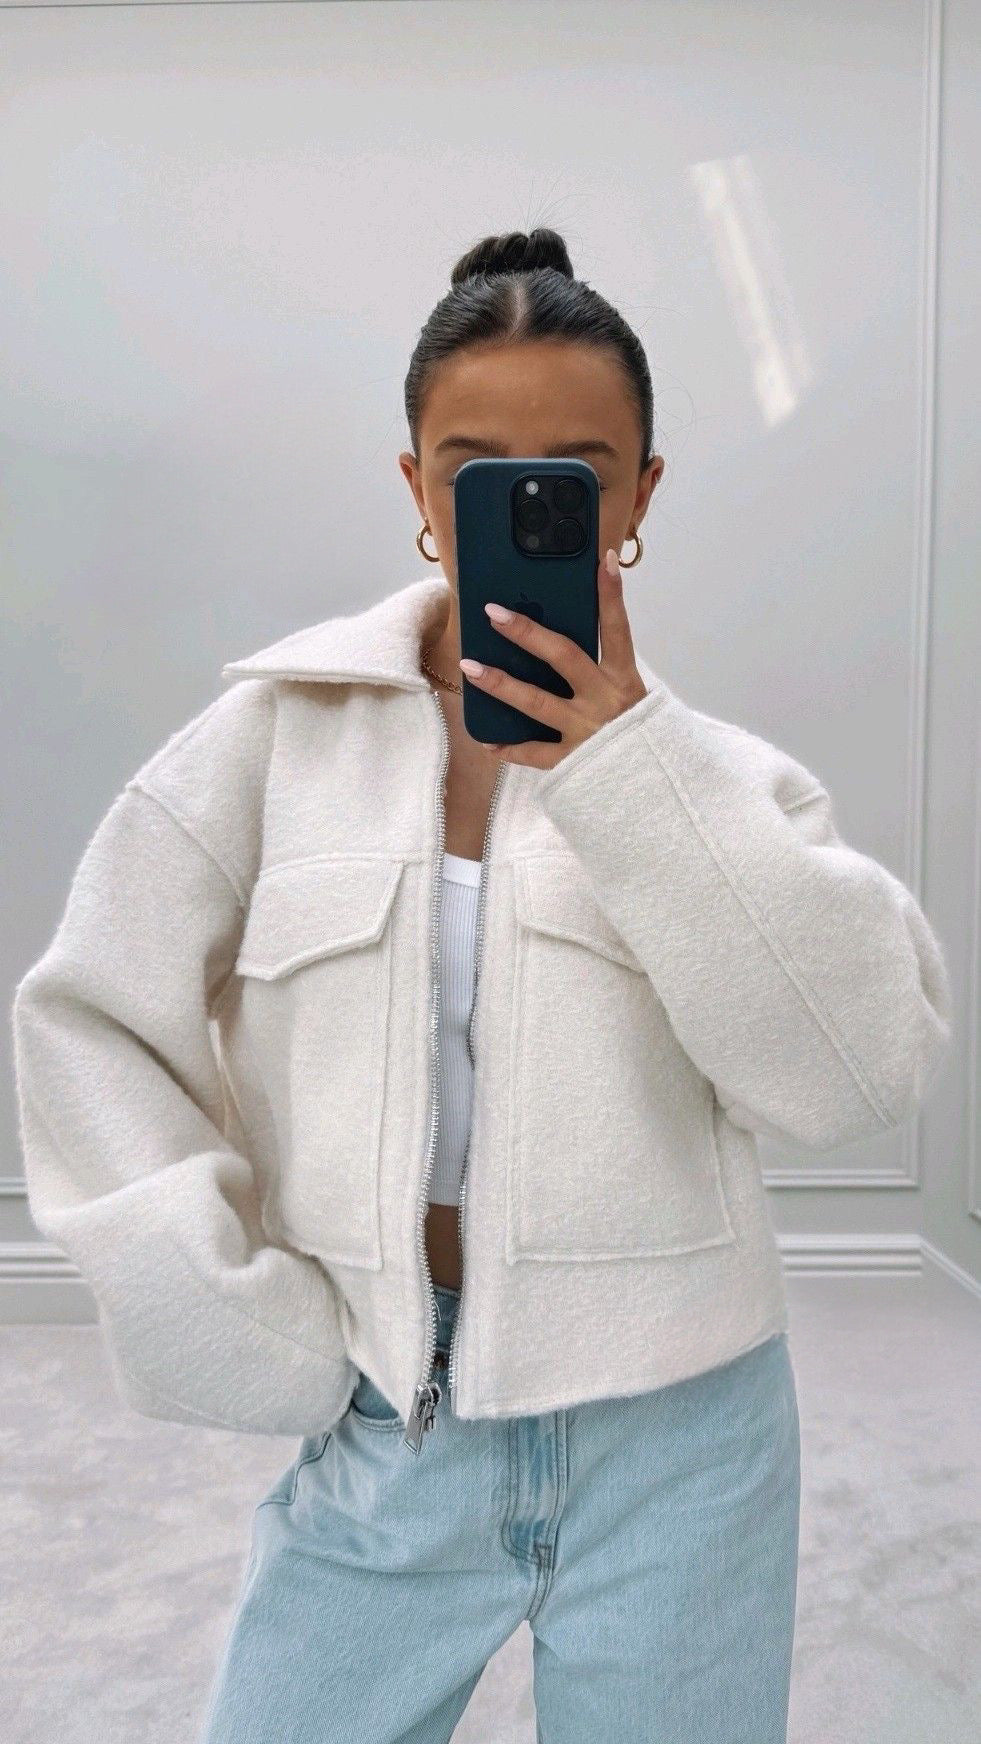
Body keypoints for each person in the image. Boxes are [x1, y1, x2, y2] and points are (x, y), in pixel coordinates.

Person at [12, 228, 953, 1743]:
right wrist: (228, 1313)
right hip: (388, 1414)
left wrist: (630, 771)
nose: (521, 504)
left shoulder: (731, 789)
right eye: (474, 470)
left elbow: (855, 1080)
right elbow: (90, 1023)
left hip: (687, 1444)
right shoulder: (270, 744)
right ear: (415, 487)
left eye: (572, 472)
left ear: (638, 495)